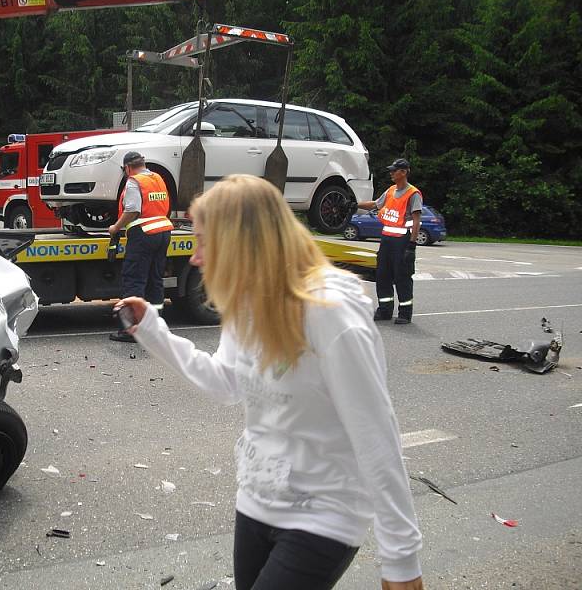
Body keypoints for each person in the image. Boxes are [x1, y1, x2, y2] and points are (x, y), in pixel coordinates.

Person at [114, 175, 424, 590]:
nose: (195, 258)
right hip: (257, 504)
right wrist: (154, 331)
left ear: (243, 244)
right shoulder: (249, 302)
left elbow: (376, 435)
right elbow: (226, 383)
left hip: (325, 512)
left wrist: (401, 560)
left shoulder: (331, 314)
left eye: (205, 242)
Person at [107, 151, 173, 342]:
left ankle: (132, 331)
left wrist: (115, 227)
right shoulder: (157, 178)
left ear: (127, 168)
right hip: (163, 232)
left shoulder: (134, 181)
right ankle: (155, 328)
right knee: (155, 281)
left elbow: (133, 210)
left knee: (134, 281)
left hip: (143, 235)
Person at [358, 158, 422, 324]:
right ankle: (385, 310)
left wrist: (412, 246)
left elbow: (416, 220)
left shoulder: (413, 194)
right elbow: (375, 205)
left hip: (402, 241)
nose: (391, 173)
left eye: (395, 170)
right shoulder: (391, 190)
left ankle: (405, 313)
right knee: (383, 275)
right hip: (386, 240)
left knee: (402, 277)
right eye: (391, 170)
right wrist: (355, 205)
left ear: (404, 172)